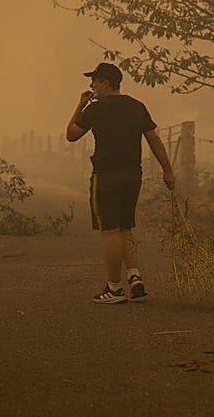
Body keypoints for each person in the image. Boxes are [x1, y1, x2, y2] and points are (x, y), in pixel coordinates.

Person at [66, 62, 175, 304]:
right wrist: (167, 170)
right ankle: (134, 278)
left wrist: (80, 105)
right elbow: (153, 139)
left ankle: (114, 288)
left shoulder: (96, 108)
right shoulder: (137, 107)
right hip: (132, 176)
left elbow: (71, 134)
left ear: (105, 83)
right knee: (126, 227)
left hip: (105, 176)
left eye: (94, 81)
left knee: (110, 231)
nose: (91, 85)